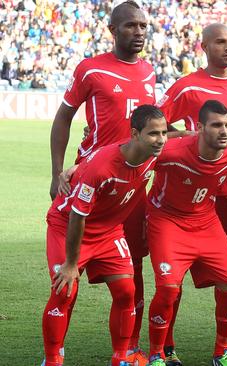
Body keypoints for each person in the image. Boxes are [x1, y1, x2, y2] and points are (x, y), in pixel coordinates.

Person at [48, 2, 155, 360]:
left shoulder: (149, 71)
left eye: (143, 25)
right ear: (113, 30)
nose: (139, 31)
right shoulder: (90, 69)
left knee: (131, 272)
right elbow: (63, 118)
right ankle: (54, 354)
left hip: (128, 187)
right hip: (92, 177)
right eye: (130, 26)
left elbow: (153, 130)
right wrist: (56, 170)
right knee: (67, 287)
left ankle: (127, 349)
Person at [155, 23, 227, 364]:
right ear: (204, 47)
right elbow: (157, 125)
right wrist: (187, 138)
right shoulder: (186, 87)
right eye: (220, 42)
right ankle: (166, 346)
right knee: (174, 277)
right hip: (185, 194)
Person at [42, 105, 167, 366]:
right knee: (64, 291)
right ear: (135, 134)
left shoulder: (154, 151)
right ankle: (52, 359)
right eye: (154, 134)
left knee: (125, 291)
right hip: (67, 226)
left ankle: (122, 357)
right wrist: (71, 264)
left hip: (109, 231)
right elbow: (78, 215)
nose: (161, 139)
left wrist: (191, 132)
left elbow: (182, 139)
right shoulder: (101, 168)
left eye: (164, 133)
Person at [145, 100, 227, 366]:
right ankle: (158, 353)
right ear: (200, 127)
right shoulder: (171, 151)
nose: (223, 131)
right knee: (168, 288)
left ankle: (221, 352)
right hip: (166, 220)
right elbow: (127, 153)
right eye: (216, 125)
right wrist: (79, 167)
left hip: (206, 221)